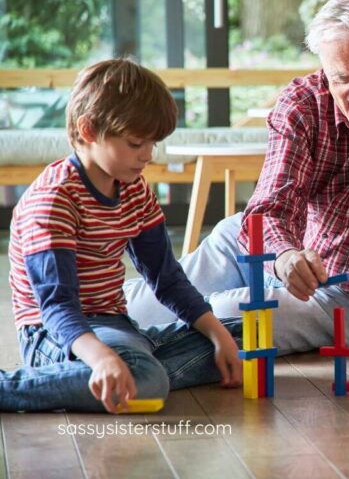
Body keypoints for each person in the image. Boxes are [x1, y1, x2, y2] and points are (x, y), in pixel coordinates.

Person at [124, 0, 349, 384]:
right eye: (341, 78)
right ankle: (61, 330)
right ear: (323, 68)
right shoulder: (301, 103)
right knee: (135, 308)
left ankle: (103, 364)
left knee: (211, 319)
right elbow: (268, 211)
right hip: (258, 250)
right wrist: (284, 254)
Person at [1, 59, 242, 413]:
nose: (147, 155)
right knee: (148, 380)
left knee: (241, 338)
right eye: (135, 143)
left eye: (152, 144)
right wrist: (101, 357)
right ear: (88, 130)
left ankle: (126, 372)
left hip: (117, 326)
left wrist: (218, 335)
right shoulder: (53, 201)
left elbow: (167, 279)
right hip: (58, 335)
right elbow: (56, 308)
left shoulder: (134, 189)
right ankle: (17, 387)